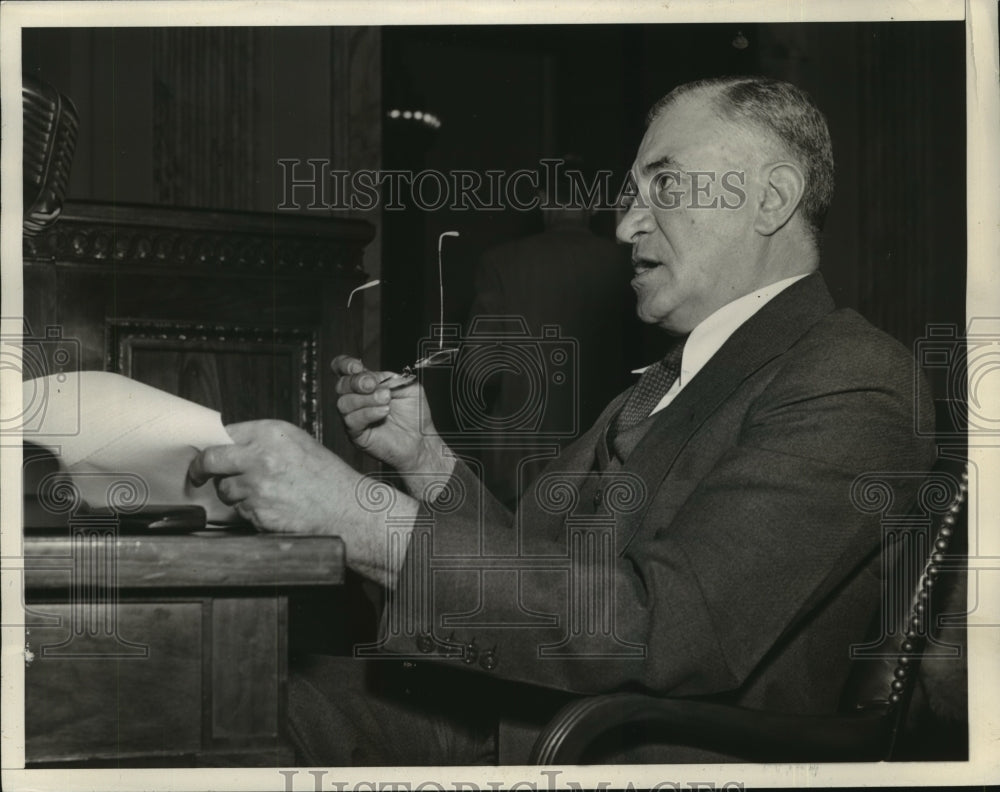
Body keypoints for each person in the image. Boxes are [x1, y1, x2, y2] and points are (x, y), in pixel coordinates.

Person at [189, 76, 936, 764]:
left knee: (227, 716)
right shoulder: (673, 377)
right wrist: (428, 461)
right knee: (213, 691)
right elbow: (534, 561)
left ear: (773, 198)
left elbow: (665, 628)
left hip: (615, 749)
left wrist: (361, 515)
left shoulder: (852, 378)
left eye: (665, 184)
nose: (626, 226)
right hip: (529, 714)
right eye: (629, 194)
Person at [461, 154, 633, 507]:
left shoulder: (502, 263)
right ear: (596, 202)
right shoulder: (626, 266)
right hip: (605, 460)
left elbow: (478, 368)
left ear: (540, 199)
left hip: (517, 466)